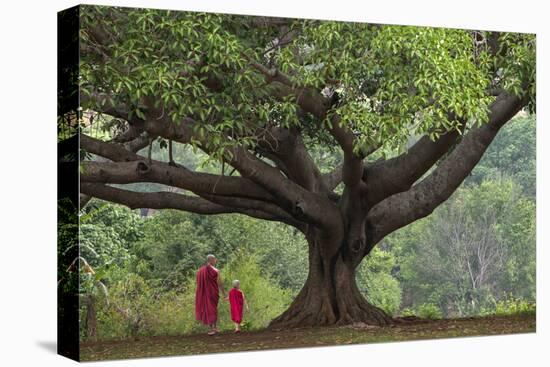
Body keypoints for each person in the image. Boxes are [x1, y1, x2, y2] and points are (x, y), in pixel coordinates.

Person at [195, 254, 225, 335]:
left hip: (207, 294)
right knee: (212, 309)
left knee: (210, 310)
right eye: (215, 259)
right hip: (212, 293)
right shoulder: (215, 270)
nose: (216, 260)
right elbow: (220, 283)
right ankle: (214, 328)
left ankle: (213, 328)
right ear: (211, 260)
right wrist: (224, 293)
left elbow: (198, 283)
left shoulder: (200, 271)